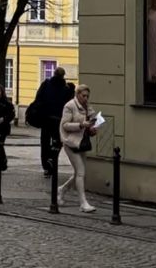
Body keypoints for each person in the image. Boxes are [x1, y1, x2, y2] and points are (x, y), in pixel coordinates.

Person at [58, 83, 97, 213]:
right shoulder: (69, 106)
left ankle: (62, 189)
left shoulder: (88, 107)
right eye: (83, 96)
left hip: (82, 142)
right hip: (71, 142)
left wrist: (92, 129)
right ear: (77, 94)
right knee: (80, 172)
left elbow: (90, 124)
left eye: (87, 96)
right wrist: (81, 125)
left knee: (79, 173)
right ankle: (83, 203)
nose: (86, 98)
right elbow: (65, 125)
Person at [34, 66, 74, 176]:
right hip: (59, 120)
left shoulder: (46, 84)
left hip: (46, 119)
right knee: (58, 142)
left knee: (45, 143)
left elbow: (38, 98)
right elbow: (69, 104)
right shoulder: (66, 88)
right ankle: (52, 158)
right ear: (63, 76)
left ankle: (46, 168)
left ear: (54, 74)